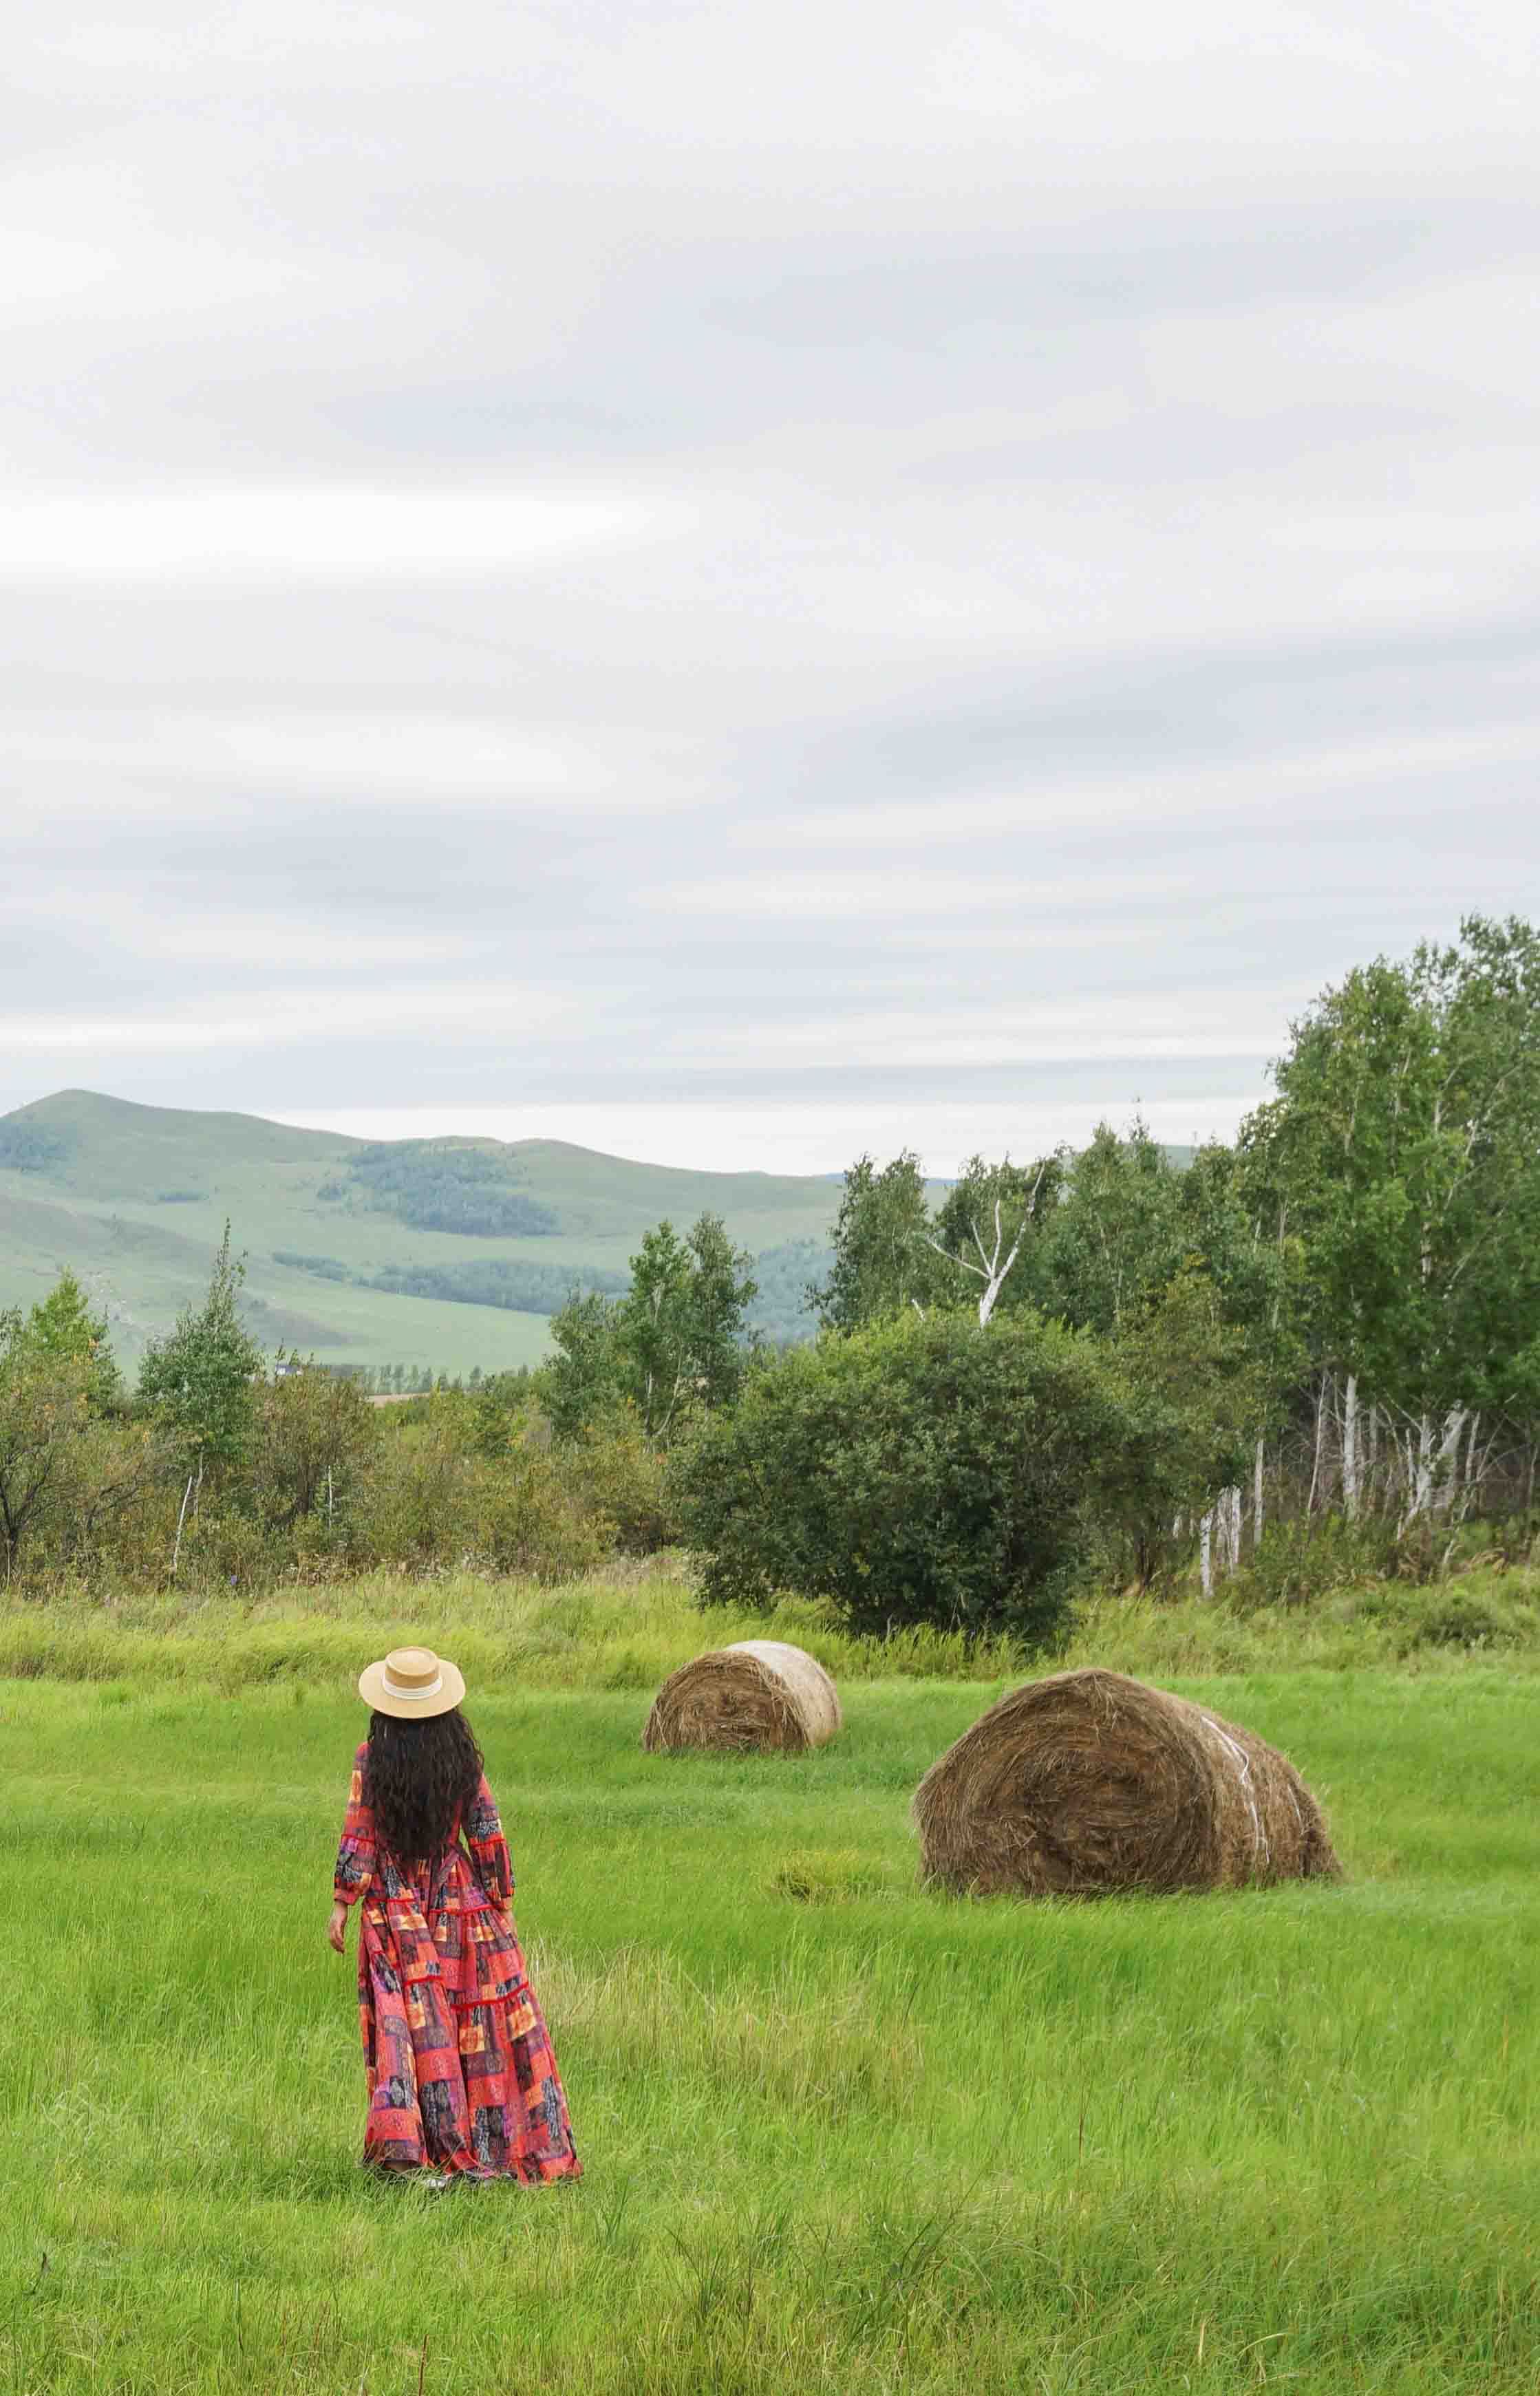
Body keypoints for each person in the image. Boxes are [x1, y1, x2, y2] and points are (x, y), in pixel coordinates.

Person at [329, 1644, 581, 2186]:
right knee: (476, 2027)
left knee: (403, 2025)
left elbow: (360, 1832)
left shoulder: (371, 1760)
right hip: (459, 1904)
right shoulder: (461, 1760)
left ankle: (404, 2151)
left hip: (395, 1910)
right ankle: (486, 2145)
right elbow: (486, 1831)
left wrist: (342, 1904)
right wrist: (502, 1903)